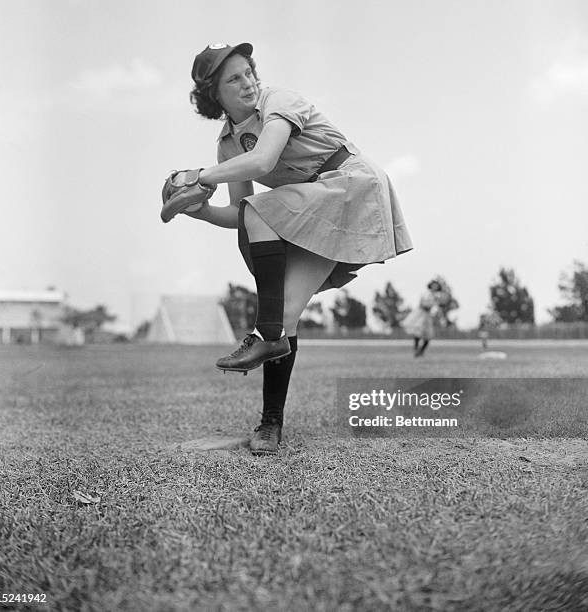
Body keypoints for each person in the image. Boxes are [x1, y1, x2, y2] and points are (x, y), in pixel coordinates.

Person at [170, 42, 413, 454]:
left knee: (270, 302)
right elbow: (240, 214)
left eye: (248, 71)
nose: (247, 82)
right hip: (316, 205)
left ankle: (264, 333)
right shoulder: (228, 147)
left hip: (350, 185)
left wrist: (198, 176)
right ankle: (270, 425)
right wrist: (200, 210)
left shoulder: (278, 101)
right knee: (285, 318)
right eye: (234, 79)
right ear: (214, 95)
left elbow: (264, 161)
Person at [402, 280, 443, 357]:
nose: (435, 287)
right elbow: (423, 304)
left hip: (428, 315)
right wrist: (431, 304)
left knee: (428, 336)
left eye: (436, 286)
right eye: (434, 285)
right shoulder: (426, 294)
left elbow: (437, 307)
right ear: (430, 286)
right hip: (421, 314)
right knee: (417, 332)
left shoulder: (437, 296)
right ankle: (416, 350)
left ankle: (421, 351)